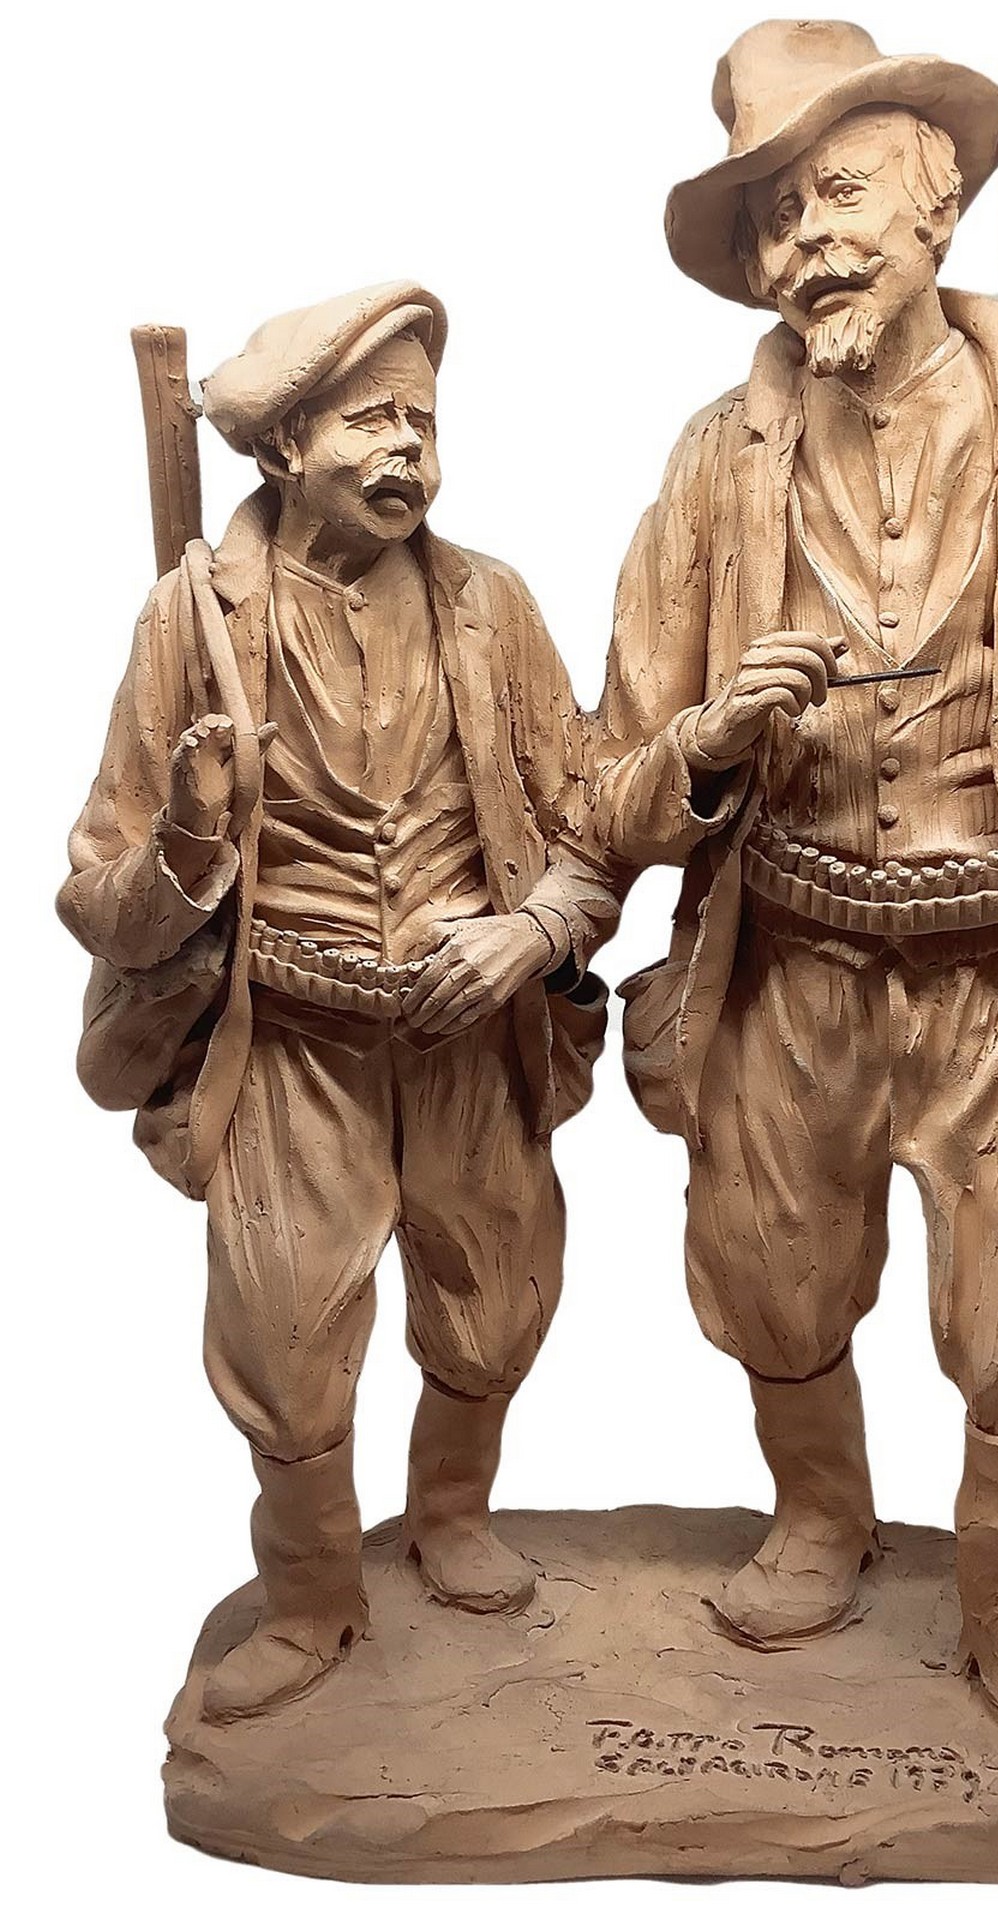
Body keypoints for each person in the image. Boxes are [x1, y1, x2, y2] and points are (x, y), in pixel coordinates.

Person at [592, 22, 998, 1767]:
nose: (805, 243)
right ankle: (823, 1522)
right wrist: (710, 742)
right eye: (773, 218)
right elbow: (607, 780)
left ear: (938, 207)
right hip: (783, 964)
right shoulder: (714, 464)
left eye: (837, 195)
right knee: (771, 1281)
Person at [60, 282, 616, 1720]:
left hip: (470, 1035)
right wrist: (193, 831)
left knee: (497, 1292)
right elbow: (98, 887)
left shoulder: (493, 607)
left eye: (423, 420)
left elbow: (593, 821)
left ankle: (451, 1514)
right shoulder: (193, 622)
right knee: (285, 1331)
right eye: (371, 420)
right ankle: (310, 1594)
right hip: (291, 1043)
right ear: (282, 445)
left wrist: (533, 930)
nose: (407, 447)